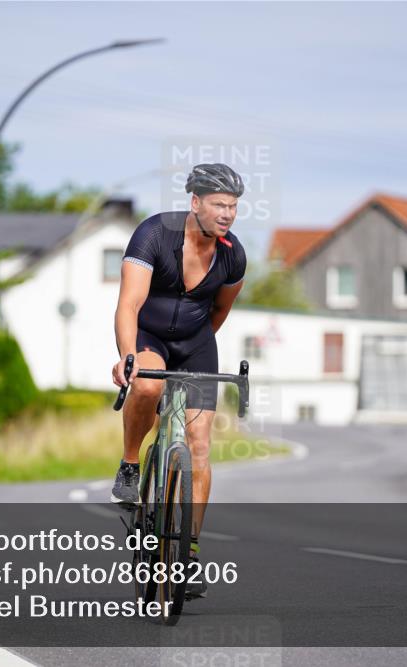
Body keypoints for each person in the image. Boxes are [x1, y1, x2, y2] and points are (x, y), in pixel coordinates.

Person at [110, 163, 247, 600]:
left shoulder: (233, 255)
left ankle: (187, 552)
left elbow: (220, 311)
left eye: (233, 206)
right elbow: (129, 304)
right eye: (219, 205)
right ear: (195, 202)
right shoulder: (154, 234)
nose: (227, 214)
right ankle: (132, 463)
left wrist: (197, 350)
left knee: (200, 444)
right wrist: (128, 357)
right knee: (148, 387)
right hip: (148, 336)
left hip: (196, 343)